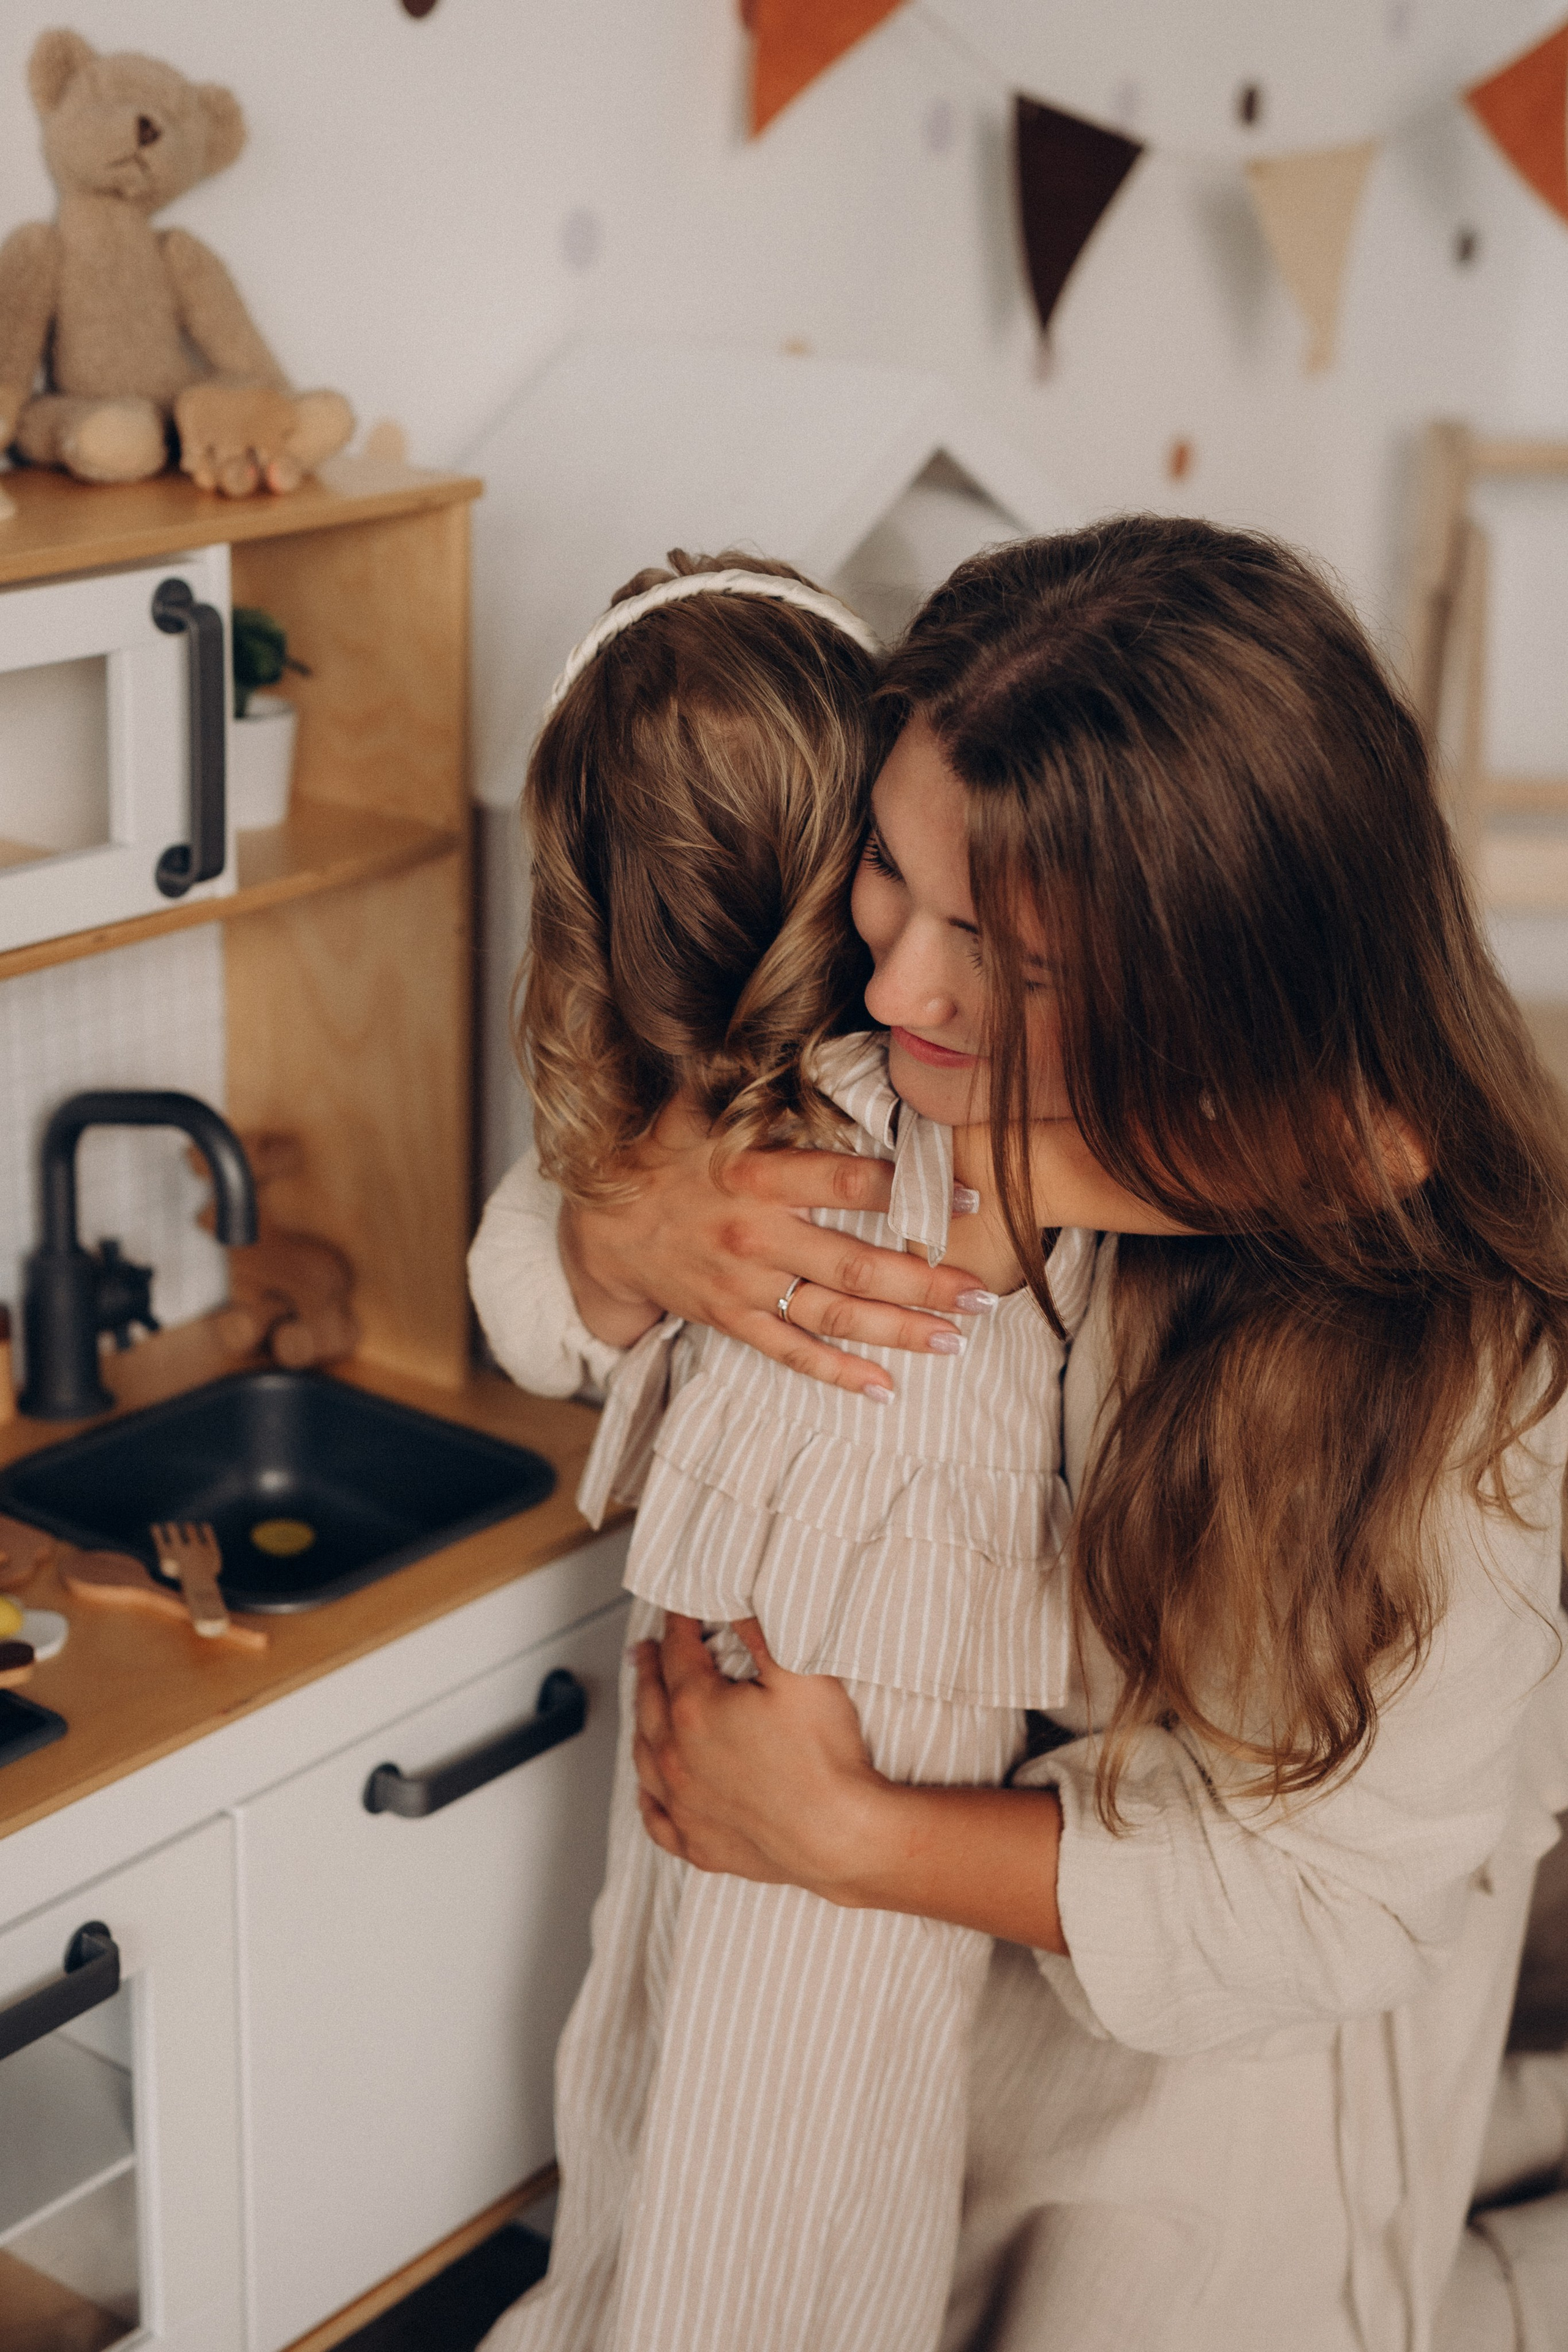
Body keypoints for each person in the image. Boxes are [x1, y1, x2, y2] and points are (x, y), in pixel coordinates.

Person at [520, 519, 1568, 2350]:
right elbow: (535, 1292)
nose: (900, 990)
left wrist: (846, 1833)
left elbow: (1325, 1912)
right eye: (888, 872)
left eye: (1004, 957)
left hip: (1211, 2109)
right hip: (905, 2036)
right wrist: (621, 1234)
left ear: (1216, 976)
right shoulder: (898, 1085)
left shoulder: (1458, 1378)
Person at [471, 547, 1184, 2352]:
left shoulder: (982, 1107)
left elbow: (1347, 1152)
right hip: (732, 1705)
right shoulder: (691, 1140)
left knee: (764, 2173)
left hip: (863, 1746)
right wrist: (620, 1229)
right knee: (672, 2123)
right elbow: (528, 1297)